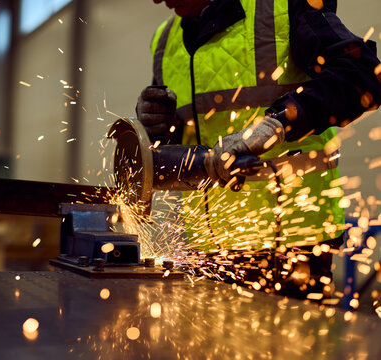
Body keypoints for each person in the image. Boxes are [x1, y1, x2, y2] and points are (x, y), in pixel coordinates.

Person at [136, 0, 380, 296]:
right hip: (206, 250)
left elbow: (363, 76)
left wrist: (277, 124)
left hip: (292, 244)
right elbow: (191, 143)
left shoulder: (281, 7)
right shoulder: (166, 39)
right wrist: (161, 125)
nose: (158, 0)